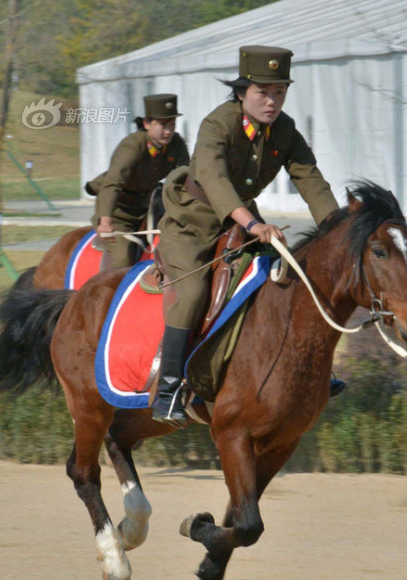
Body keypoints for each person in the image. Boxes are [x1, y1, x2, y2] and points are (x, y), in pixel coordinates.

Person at [152, 45, 341, 424]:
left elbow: (310, 178)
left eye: (280, 93)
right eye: (263, 93)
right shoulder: (217, 124)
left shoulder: (284, 130)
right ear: (241, 92)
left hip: (241, 222)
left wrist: (339, 230)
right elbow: (216, 180)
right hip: (192, 222)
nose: (272, 102)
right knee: (191, 292)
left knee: (283, 279)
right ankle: (168, 390)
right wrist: (253, 224)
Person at [86, 94, 189, 269]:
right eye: (162, 125)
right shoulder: (132, 146)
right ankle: (116, 292)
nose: (168, 131)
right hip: (120, 212)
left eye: (172, 125)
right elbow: (113, 183)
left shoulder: (176, 143)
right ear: (147, 124)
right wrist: (105, 220)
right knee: (122, 260)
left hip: (150, 207)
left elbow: (187, 178)